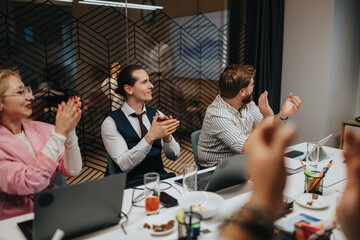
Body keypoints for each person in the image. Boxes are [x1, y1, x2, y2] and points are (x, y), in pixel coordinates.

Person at [0, 70, 83, 220]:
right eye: (20, 92)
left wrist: (69, 132)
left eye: (27, 90)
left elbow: (73, 170)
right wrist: (59, 133)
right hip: (16, 220)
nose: (31, 97)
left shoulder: (43, 129)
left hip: (53, 210)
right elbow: (31, 183)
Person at [197, 64, 301, 167]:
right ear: (242, 92)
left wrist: (283, 114)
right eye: (252, 84)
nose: (253, 87)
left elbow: (267, 127)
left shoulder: (246, 103)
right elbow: (247, 149)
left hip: (240, 161)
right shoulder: (218, 115)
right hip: (216, 170)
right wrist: (267, 117)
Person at [101, 65, 180, 188]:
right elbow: (124, 165)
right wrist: (151, 136)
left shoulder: (157, 114)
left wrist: (167, 136)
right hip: (129, 187)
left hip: (159, 181)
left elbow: (174, 156)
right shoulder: (111, 122)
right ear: (129, 89)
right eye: (144, 82)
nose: (151, 85)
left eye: (149, 81)